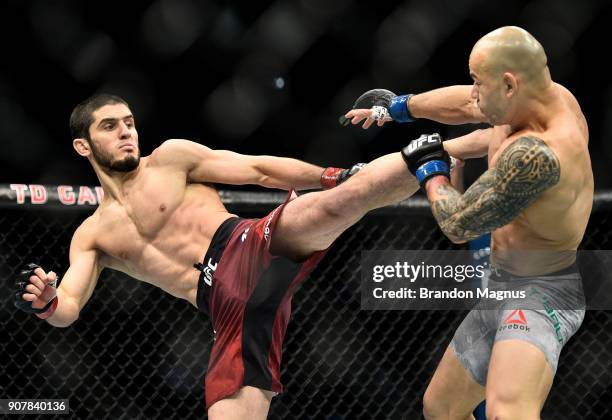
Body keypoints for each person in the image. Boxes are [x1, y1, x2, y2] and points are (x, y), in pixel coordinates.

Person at [14, 92, 460, 419]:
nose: (126, 132)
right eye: (109, 126)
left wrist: (332, 174)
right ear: (83, 146)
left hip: (243, 247)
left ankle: (426, 156)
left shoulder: (170, 159)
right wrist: (48, 301)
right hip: (226, 312)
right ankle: (418, 162)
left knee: (333, 203)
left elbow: (258, 169)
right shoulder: (92, 234)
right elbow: (68, 308)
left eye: (129, 122)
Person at [345, 26, 592, 420]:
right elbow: (464, 105)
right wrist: (398, 108)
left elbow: (458, 223)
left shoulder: (538, 153)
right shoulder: (538, 99)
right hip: (501, 285)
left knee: (507, 412)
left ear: (509, 84)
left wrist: (431, 170)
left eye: (479, 83)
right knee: (440, 408)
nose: (473, 92)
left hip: (539, 295)